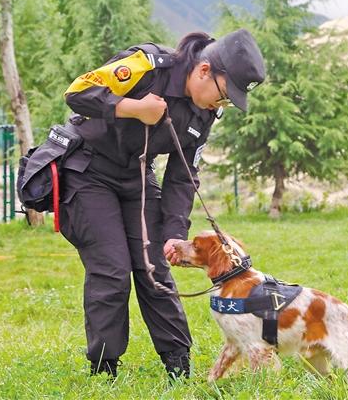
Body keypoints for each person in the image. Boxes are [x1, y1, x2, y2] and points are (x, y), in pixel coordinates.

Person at [58, 29, 266, 379]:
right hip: (88, 170)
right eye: (223, 95)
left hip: (136, 175)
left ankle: (177, 363)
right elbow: (78, 91)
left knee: (155, 264)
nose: (222, 105)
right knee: (112, 269)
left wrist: (173, 233)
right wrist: (133, 107)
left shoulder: (203, 114)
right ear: (203, 71)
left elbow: (183, 178)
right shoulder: (148, 65)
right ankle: (103, 369)